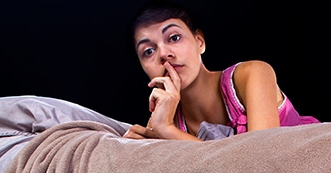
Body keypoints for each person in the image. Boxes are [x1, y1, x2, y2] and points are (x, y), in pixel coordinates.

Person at [124, 1, 319, 141]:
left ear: (199, 42)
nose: (164, 54)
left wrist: (167, 130)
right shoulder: (164, 118)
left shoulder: (252, 74)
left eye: (174, 38)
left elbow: (261, 160)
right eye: (148, 51)